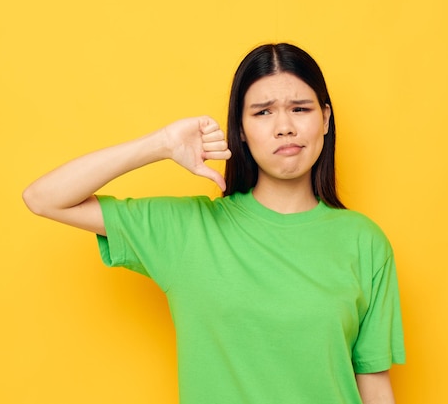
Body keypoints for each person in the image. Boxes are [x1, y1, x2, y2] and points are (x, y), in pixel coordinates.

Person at [23, 43, 405, 404]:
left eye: (300, 109)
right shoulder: (188, 230)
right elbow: (43, 198)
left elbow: (373, 384)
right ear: (240, 130)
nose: (284, 127)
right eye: (263, 112)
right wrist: (161, 144)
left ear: (325, 119)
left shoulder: (364, 241)